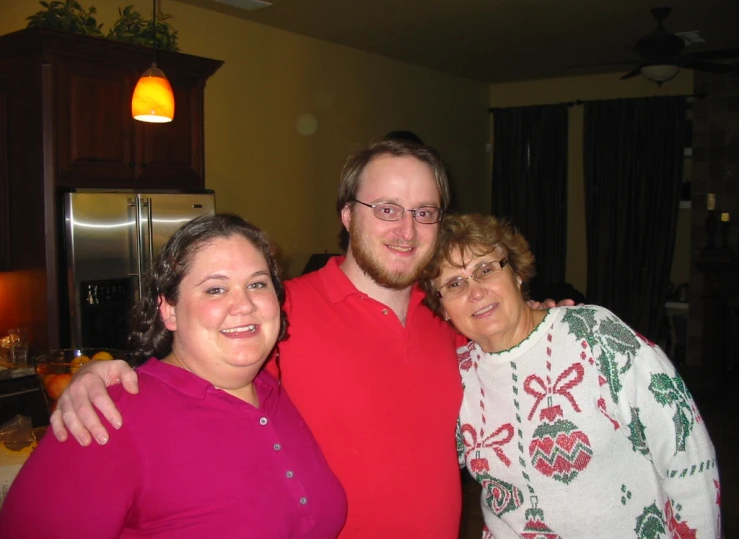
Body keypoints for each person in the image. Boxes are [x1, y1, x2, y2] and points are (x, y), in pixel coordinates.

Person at [47, 139, 567, 538]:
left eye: (424, 212)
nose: (406, 230)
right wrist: (105, 373)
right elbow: (191, 377)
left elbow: (514, 352)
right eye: (386, 208)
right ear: (346, 215)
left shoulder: (449, 316)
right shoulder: (277, 313)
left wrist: (544, 321)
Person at [0, 214, 347, 538]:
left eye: (257, 284)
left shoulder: (273, 388)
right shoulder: (106, 416)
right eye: (215, 289)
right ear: (169, 309)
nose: (244, 305)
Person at [419, 213, 721, 539]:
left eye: (486, 269)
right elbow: (421, 459)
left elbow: (686, 453)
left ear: (517, 273)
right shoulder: (457, 376)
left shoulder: (594, 334)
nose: (475, 292)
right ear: (443, 308)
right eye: (454, 284)